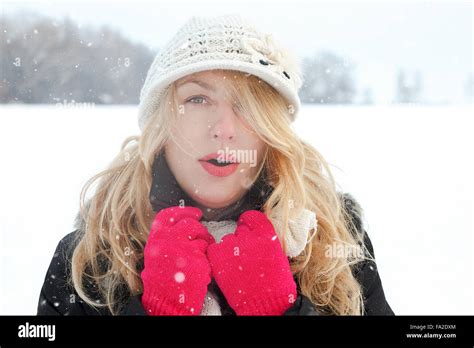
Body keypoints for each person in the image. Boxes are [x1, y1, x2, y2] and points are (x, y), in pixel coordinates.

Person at [37, 14, 394, 316]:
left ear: (272, 129)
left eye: (248, 104)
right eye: (197, 99)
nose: (224, 130)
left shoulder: (334, 242)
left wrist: (281, 312)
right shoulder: (89, 258)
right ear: (162, 124)